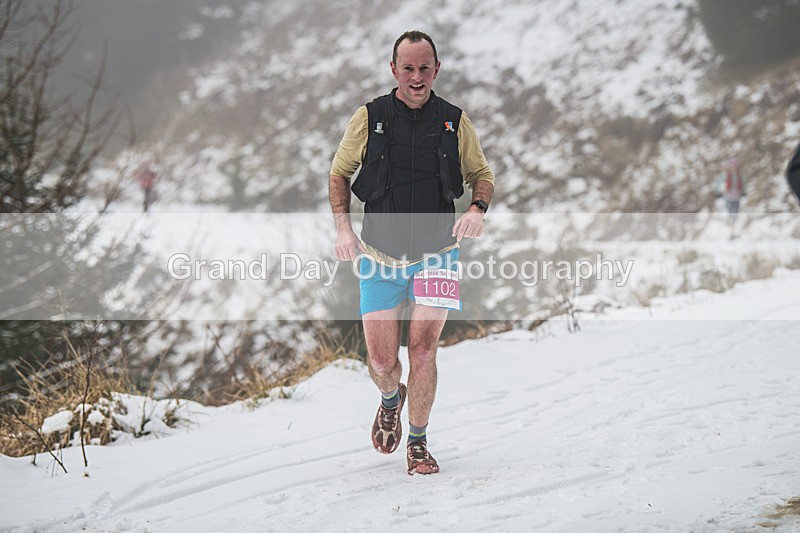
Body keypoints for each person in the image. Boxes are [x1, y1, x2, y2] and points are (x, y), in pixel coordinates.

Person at [328, 31, 495, 475]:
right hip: (378, 257)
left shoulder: (455, 121)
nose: (416, 77)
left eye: (425, 68)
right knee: (383, 363)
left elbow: (482, 173)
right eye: (408, 68)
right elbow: (339, 174)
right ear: (394, 70)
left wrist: (477, 209)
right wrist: (343, 229)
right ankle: (390, 397)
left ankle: (418, 442)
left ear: (436, 70)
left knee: (422, 353)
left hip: (438, 254)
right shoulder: (369, 117)